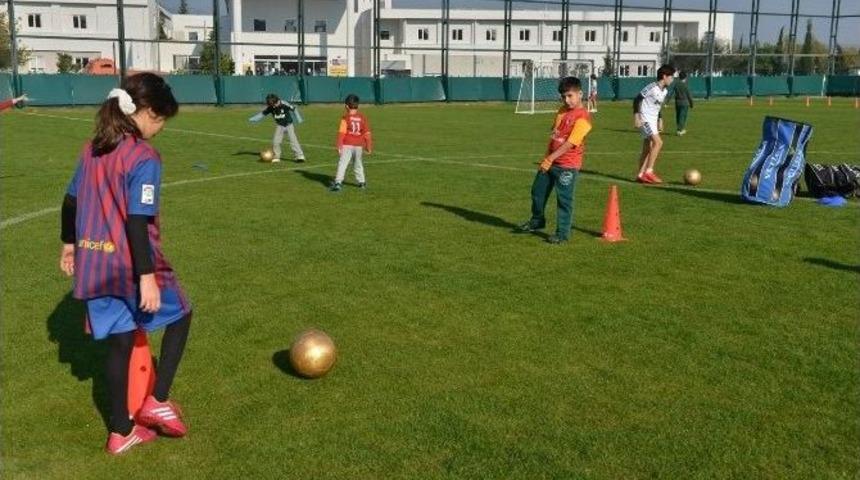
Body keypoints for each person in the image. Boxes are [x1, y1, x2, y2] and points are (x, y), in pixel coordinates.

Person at [58, 73, 192, 455]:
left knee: (118, 344)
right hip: (129, 264)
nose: (161, 128)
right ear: (147, 111)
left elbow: (70, 202)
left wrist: (69, 244)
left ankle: (121, 431)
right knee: (182, 316)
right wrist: (146, 277)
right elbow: (137, 219)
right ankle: (157, 400)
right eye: (161, 119)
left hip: (93, 262)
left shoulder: (92, 148)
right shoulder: (143, 156)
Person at [517, 77, 593, 244]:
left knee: (564, 201)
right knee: (537, 192)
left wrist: (550, 158)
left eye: (570, 96)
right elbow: (555, 133)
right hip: (550, 161)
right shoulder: (562, 111)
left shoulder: (583, 118)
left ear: (580, 94)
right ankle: (537, 221)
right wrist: (547, 155)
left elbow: (570, 143)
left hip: (567, 166)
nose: (566, 100)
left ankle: (562, 234)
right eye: (563, 97)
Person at [633, 64, 675, 184]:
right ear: (664, 76)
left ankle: (640, 175)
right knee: (658, 142)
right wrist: (636, 116)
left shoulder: (665, 91)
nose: (672, 80)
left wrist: (660, 119)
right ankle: (649, 171)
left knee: (647, 147)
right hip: (645, 119)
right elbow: (637, 99)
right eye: (671, 77)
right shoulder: (651, 87)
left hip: (653, 120)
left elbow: (657, 106)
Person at [330, 94, 372, 192]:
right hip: (359, 146)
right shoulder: (363, 118)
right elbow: (367, 133)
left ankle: (338, 182)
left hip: (347, 145)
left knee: (343, 164)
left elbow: (341, 133)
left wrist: (339, 145)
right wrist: (369, 146)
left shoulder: (345, 118)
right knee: (358, 164)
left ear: (346, 106)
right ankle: (362, 182)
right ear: (358, 106)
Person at [249, 93, 305, 163]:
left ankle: (300, 156)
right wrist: (254, 118)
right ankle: (276, 157)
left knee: (293, 140)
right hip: (280, 126)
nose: (273, 106)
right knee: (276, 142)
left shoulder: (284, 104)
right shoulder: (271, 107)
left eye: (274, 104)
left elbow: (294, 109)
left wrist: (299, 118)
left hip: (289, 125)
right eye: (271, 105)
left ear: (277, 101)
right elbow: (262, 114)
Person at [668, 71, 694, 135]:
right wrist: (691, 104)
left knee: (678, 116)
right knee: (683, 117)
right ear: (685, 77)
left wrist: (667, 102)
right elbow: (689, 95)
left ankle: (679, 129)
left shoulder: (676, 84)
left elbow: (671, 93)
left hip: (677, 102)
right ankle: (680, 130)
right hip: (685, 103)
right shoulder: (685, 85)